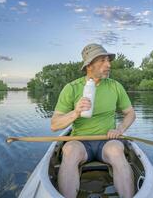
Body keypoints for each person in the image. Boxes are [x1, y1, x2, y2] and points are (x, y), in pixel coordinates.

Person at [51, 43, 136, 198]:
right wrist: (75, 112)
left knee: (117, 151)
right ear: (89, 65)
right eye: (102, 61)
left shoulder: (115, 86)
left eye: (108, 60)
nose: (108, 64)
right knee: (69, 151)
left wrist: (120, 130)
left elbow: (130, 113)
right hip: (80, 141)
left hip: (108, 140)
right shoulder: (71, 88)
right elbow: (54, 125)